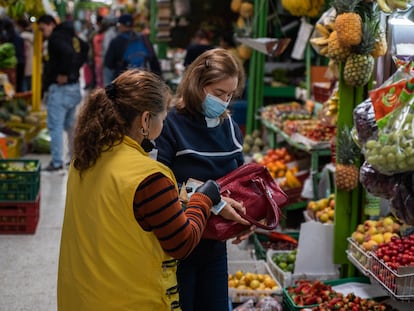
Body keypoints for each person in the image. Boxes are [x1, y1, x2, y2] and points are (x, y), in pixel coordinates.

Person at [57, 69, 222, 311]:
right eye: (163, 119)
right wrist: (202, 199)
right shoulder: (150, 176)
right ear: (145, 120)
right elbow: (181, 243)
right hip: (130, 302)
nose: (163, 125)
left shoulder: (84, 159)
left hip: (80, 299)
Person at [155, 48, 250, 311]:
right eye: (219, 94)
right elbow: (158, 187)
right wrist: (215, 202)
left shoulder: (228, 126)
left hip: (214, 247)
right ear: (197, 84)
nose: (224, 102)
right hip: (177, 248)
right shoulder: (169, 124)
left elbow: (237, 182)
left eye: (230, 95)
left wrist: (248, 215)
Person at [37, 14, 89, 171]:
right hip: (73, 89)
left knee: (55, 126)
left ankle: (57, 162)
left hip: (60, 90)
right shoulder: (72, 38)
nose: (42, 32)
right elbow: (85, 47)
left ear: (51, 24)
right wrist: (74, 70)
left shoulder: (56, 38)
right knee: (69, 125)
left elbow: (66, 53)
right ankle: (74, 158)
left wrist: (64, 72)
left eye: (42, 28)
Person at [104, 13, 161, 82]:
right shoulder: (144, 39)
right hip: (144, 81)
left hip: (124, 83)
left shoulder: (116, 42)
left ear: (121, 25)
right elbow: (154, 62)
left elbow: (108, 65)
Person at [16, 18, 34, 92]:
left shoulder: (21, 37)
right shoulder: (33, 37)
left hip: (25, 64)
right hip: (34, 65)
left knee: (25, 85)